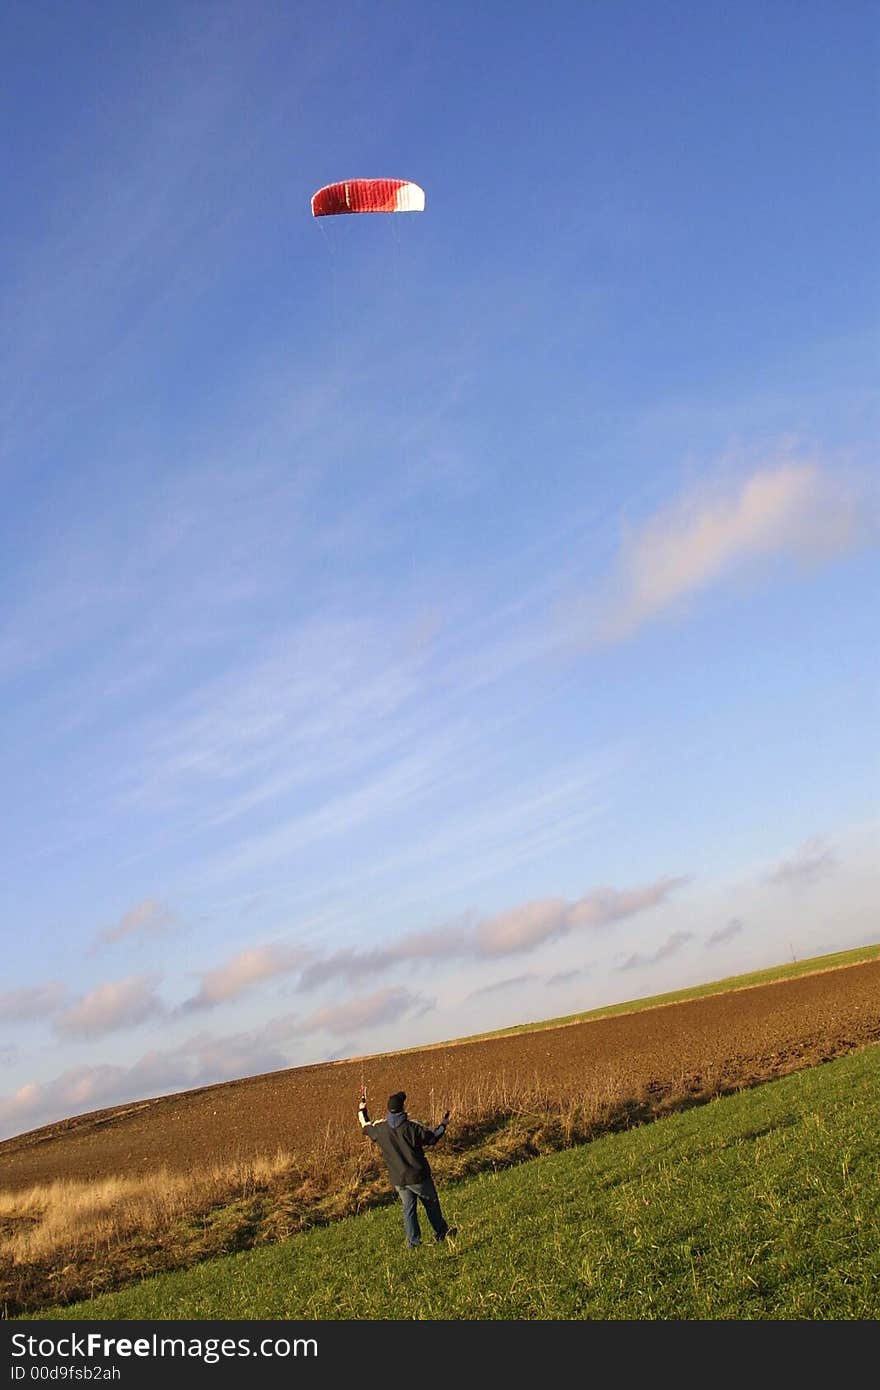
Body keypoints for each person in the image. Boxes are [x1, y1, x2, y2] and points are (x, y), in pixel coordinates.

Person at [358, 1088, 456, 1248]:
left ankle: (413, 1242)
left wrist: (362, 1107)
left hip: (398, 1179)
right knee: (431, 1203)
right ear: (403, 1109)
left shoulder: (380, 1130)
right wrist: (443, 1125)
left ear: (389, 1110)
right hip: (419, 1177)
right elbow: (433, 1138)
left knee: (408, 1209)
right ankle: (442, 1232)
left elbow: (365, 1125)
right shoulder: (413, 1127)